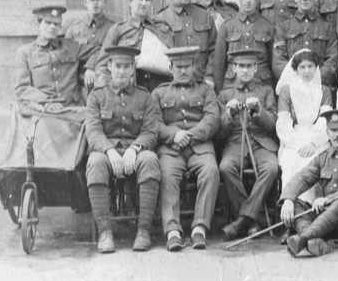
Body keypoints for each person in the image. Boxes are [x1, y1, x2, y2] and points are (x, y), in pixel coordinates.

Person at [85, 46, 161, 253]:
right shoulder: (96, 97)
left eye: (127, 66)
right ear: (109, 66)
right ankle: (105, 232)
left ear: (133, 68)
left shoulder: (145, 97)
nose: (122, 71)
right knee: (95, 162)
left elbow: (150, 132)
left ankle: (143, 230)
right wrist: (109, 151)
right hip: (106, 152)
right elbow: (93, 131)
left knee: (150, 159)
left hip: (134, 152)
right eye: (118, 66)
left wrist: (134, 149)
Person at [151, 46, 220, 251]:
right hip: (171, 148)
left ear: (193, 66)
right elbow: (154, 123)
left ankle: (199, 228)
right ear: (171, 68)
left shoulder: (206, 90)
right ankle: (172, 231)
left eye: (187, 66)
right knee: (167, 174)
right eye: (178, 67)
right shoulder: (159, 92)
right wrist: (174, 135)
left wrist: (189, 136)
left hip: (199, 145)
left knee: (211, 171)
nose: (183, 71)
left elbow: (212, 119)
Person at [279, 109, 338, 257]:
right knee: (297, 203)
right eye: (333, 130)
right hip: (325, 220)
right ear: (327, 133)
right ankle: (316, 242)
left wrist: (329, 199)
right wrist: (288, 199)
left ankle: (303, 238)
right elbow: (301, 177)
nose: (337, 134)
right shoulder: (323, 158)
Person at [217, 49, 280, 240]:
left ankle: (242, 221)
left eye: (249, 66)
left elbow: (274, 124)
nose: (245, 70)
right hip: (235, 143)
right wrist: (229, 115)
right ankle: (252, 220)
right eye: (241, 66)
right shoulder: (225, 94)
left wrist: (259, 112)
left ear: (255, 68)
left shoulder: (266, 91)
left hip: (261, 143)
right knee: (226, 167)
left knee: (271, 168)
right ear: (234, 68)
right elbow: (219, 132)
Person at [275, 49, 333, 200]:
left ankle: (311, 210)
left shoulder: (324, 91)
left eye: (310, 66)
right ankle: (290, 207)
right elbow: (284, 123)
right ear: (295, 69)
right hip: (293, 139)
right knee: (291, 162)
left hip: (318, 139)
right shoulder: (287, 91)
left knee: (313, 162)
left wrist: (313, 143)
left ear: (316, 68)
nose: (307, 71)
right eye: (302, 67)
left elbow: (325, 120)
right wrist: (297, 144)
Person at [95, 0, 174, 92]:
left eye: (147, 0)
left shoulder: (161, 28)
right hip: (130, 90)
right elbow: (102, 66)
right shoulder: (118, 30)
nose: (144, 3)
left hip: (161, 88)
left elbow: (174, 60)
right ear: (129, 2)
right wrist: (106, 93)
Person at [15, 5, 92, 114]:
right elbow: (21, 88)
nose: (52, 27)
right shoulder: (26, 52)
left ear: (60, 27)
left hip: (73, 109)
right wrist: (46, 101)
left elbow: (98, 52)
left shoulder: (71, 47)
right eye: (47, 23)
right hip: (43, 109)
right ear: (38, 25)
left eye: (56, 24)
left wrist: (91, 67)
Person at [273, 0, 338, 87]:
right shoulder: (283, 27)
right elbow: (278, 61)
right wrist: (296, 82)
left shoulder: (327, 27)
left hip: (319, 88)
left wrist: (315, 82)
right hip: (292, 89)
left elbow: (332, 60)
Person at [154, 0, 217, 87]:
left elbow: (214, 49)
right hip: (172, 85)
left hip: (202, 83)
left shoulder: (205, 15)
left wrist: (210, 76)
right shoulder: (161, 18)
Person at [214, 0, 276, 92]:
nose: (248, 0)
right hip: (232, 88)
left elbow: (274, 64)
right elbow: (219, 66)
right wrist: (220, 94)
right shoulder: (226, 27)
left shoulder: (268, 27)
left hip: (261, 86)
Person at [65, 0, 115, 91]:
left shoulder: (114, 29)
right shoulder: (74, 29)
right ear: (85, 2)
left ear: (105, 1)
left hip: (105, 87)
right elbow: (67, 59)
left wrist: (92, 66)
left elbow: (114, 57)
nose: (95, 3)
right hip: (78, 86)